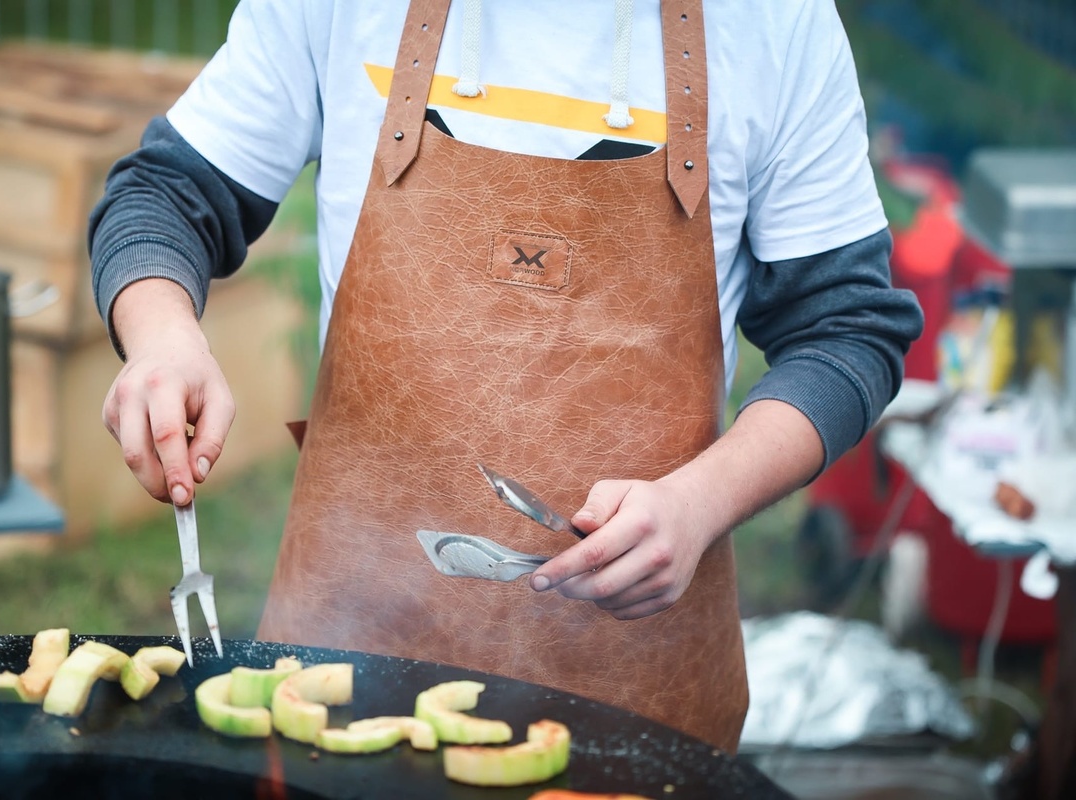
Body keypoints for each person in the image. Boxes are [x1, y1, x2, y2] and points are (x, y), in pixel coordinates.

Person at [89, 0, 923, 752]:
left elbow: (847, 330)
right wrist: (164, 338)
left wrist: (702, 501)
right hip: (340, 681)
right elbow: (165, 190)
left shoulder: (776, 24)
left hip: (637, 710)